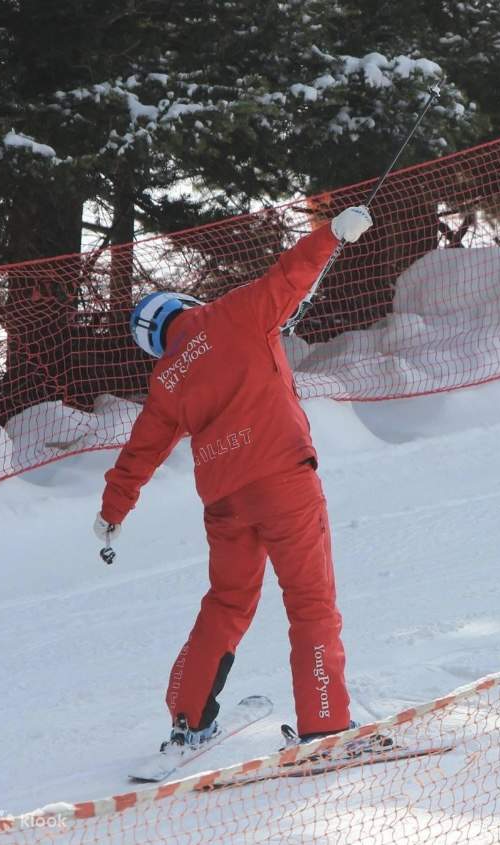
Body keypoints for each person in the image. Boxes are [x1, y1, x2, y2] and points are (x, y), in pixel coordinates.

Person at [93, 206, 375, 752]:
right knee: (310, 601)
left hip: (225, 503)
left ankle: (188, 720)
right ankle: (326, 724)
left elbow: (140, 452)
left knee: (226, 601)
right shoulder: (234, 313)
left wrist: (112, 512)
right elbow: (289, 275)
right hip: (283, 482)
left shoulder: (168, 377)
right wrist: (333, 233)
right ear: (182, 306)